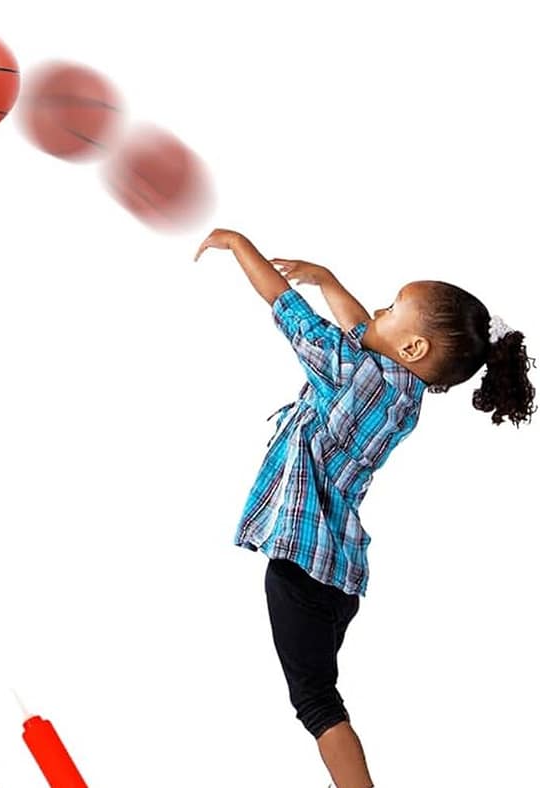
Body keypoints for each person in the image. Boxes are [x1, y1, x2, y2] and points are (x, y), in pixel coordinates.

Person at [193, 228, 535, 788]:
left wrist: (238, 245)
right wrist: (328, 278)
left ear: (415, 348)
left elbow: (287, 308)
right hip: (340, 579)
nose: (378, 307)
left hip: (301, 566)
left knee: (317, 703)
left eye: (393, 305)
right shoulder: (406, 393)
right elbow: (364, 334)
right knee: (319, 692)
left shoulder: (350, 371)